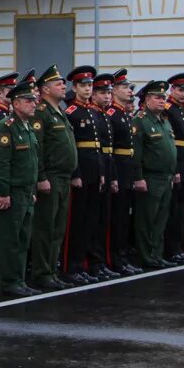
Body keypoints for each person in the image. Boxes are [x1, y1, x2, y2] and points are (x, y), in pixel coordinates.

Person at [0, 79, 40, 297]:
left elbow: (31, 161)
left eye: (34, 100)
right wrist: (4, 192)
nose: (34, 104)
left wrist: (33, 190)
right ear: (16, 103)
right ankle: (9, 281)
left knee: (22, 239)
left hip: (26, 192)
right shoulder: (6, 127)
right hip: (14, 192)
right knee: (10, 239)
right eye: (28, 100)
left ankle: (19, 279)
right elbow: (0, 162)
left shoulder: (27, 127)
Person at [30, 65, 77, 290]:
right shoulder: (42, 112)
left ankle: (51, 270)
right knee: (45, 228)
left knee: (58, 228)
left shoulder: (59, 112)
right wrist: (41, 176)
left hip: (64, 177)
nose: (63, 86)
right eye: (58, 84)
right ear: (45, 89)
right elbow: (37, 147)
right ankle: (42, 272)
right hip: (51, 177)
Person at [62, 67, 106, 284]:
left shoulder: (94, 112)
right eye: (83, 86)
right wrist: (75, 173)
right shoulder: (71, 112)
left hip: (94, 172)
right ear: (75, 87)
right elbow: (72, 148)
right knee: (76, 223)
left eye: (89, 86)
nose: (88, 89)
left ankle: (85, 263)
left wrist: (102, 173)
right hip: (80, 173)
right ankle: (71, 265)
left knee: (90, 221)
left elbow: (98, 148)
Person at [131, 81, 178, 269]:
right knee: (146, 220)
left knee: (160, 220)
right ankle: (146, 256)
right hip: (150, 177)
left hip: (165, 177)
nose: (162, 101)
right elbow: (136, 152)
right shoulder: (141, 120)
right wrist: (138, 177)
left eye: (163, 98)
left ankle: (156, 254)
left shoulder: (164, 121)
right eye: (158, 97)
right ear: (147, 99)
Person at [104, 69, 141, 275]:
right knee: (116, 218)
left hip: (126, 171)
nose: (129, 91)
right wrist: (115, 176)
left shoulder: (123, 115)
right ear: (115, 90)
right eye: (125, 87)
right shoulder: (112, 114)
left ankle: (121, 256)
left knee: (124, 219)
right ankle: (113, 258)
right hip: (116, 170)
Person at [162, 72, 184, 263]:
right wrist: (174, 169)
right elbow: (170, 144)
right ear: (172, 90)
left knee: (181, 211)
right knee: (172, 211)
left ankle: (177, 247)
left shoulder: (181, 110)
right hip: (174, 164)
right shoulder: (168, 109)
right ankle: (170, 249)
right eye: (180, 90)